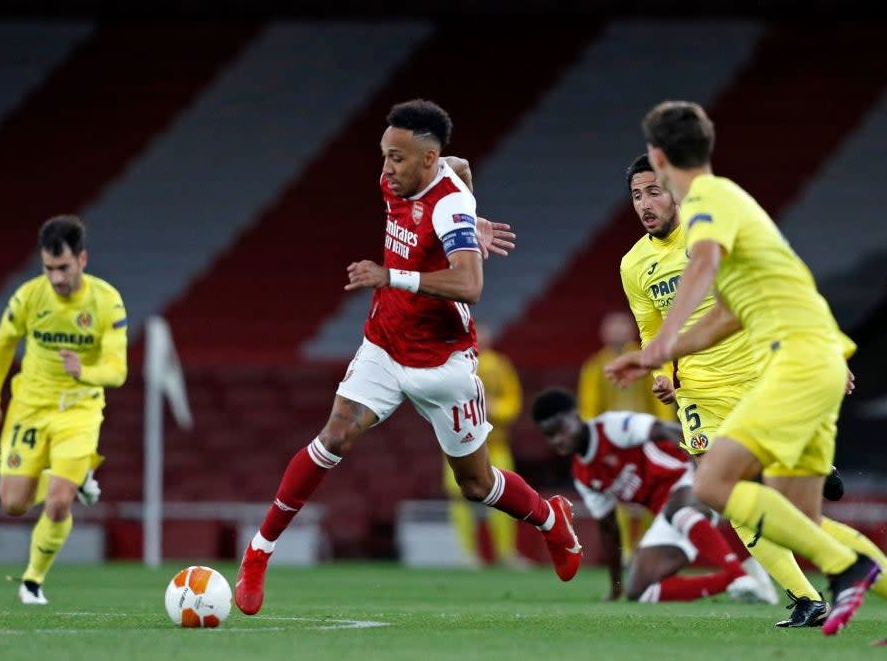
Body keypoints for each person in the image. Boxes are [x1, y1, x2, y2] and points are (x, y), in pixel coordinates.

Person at [235, 98, 583, 616]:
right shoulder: (422, 175)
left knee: (476, 484)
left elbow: (470, 283)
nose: (385, 169)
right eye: (384, 155)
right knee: (335, 433)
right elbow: (460, 167)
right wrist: (474, 212)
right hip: (384, 343)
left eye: (396, 158)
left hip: (444, 365)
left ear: (425, 159)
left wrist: (406, 264)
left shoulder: (448, 207)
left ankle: (552, 521)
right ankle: (259, 553)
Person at [605, 100, 881, 635]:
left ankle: (837, 552)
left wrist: (822, 350)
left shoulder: (712, 210)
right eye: (636, 195)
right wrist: (662, 362)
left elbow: (730, 278)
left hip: (765, 375)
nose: (645, 202)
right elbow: (709, 317)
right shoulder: (635, 262)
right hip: (705, 392)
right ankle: (808, 596)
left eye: (652, 188)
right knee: (770, 511)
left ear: (664, 164)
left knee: (724, 487)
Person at [0, 215, 127, 604]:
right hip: (30, 406)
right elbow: (2, 344)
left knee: (58, 501)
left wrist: (85, 371)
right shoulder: (29, 297)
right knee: (12, 503)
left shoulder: (106, 301)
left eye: (63, 268)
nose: (57, 277)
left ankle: (32, 580)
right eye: (49, 268)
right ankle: (74, 477)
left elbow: (117, 371)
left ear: (82, 259)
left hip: (79, 411)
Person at [531, 387, 772, 603]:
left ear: (575, 416)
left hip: (688, 478)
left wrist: (704, 471)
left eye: (560, 429)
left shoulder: (611, 427)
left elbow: (669, 430)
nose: (557, 440)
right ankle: (744, 581)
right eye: (549, 435)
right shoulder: (583, 474)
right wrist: (616, 587)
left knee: (680, 509)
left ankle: (738, 576)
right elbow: (609, 529)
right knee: (639, 591)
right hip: (668, 513)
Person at [578, 310, 675, 566]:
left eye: (622, 327)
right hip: (613, 442)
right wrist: (593, 437)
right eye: (612, 328)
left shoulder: (645, 359)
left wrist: (662, 429)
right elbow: (588, 405)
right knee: (617, 494)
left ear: (631, 329)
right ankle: (624, 551)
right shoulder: (595, 366)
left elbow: (660, 394)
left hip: (645, 437)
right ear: (603, 333)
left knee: (652, 493)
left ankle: (645, 545)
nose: (618, 333)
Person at [442, 321, 527, 567]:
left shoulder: (500, 365)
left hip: (495, 444)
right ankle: (467, 555)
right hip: (457, 443)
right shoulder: (452, 364)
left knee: (504, 496)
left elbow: (513, 402)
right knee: (458, 496)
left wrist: (495, 409)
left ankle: (506, 553)